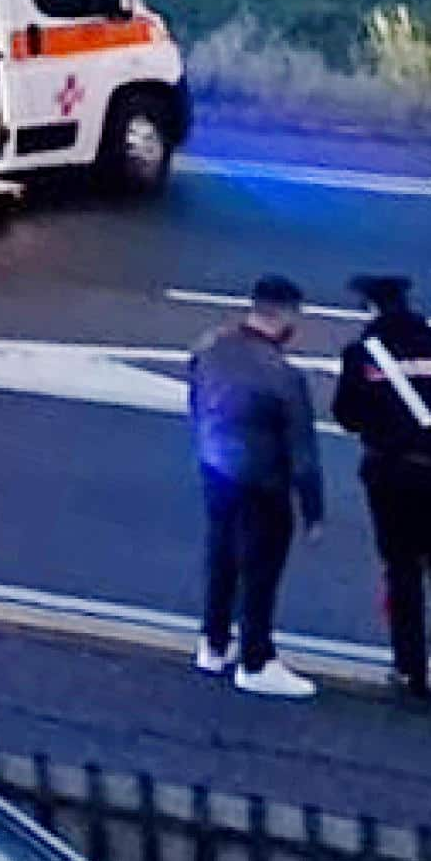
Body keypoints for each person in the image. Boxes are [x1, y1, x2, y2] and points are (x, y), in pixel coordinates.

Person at [331, 274, 431, 713]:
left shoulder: (363, 354)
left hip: (392, 477)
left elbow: (348, 415)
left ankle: (410, 669)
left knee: (402, 571)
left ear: (370, 308)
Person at [188, 275, 327, 699]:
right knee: (260, 572)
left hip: (216, 470)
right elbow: (303, 451)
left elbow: (195, 401)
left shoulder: (210, 348)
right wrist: (313, 510)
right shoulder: (283, 377)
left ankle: (213, 644)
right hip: (263, 483)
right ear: (287, 317)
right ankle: (256, 659)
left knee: (222, 556)